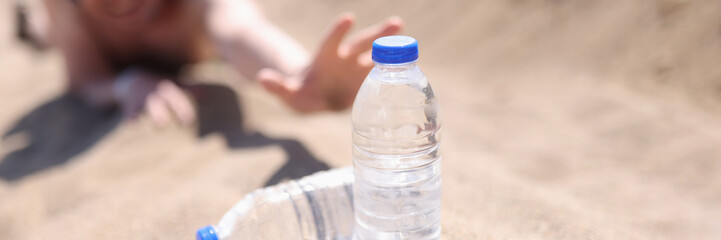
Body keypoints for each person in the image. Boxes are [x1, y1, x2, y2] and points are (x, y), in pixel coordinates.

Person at [24, 0, 403, 126]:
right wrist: (128, 83)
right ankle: (31, 27)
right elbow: (85, 80)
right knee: (44, 34)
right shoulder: (67, 5)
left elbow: (244, 34)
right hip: (69, 31)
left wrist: (302, 75)